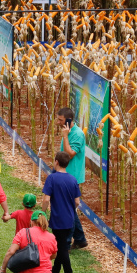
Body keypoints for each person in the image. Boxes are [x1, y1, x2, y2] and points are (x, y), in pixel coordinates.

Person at [42, 151, 81, 273]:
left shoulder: (52, 178)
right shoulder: (73, 179)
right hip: (70, 219)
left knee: (62, 248)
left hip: (58, 219)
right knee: (61, 244)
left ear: (56, 162)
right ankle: (55, 272)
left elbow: (46, 199)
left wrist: (43, 212)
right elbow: (77, 202)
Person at [56, 107, 88, 250]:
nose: (58, 122)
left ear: (68, 120)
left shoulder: (77, 134)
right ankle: (80, 239)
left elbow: (69, 154)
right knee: (69, 208)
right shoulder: (69, 132)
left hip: (72, 177)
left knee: (68, 210)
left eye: (60, 120)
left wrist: (65, 136)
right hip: (64, 173)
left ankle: (67, 242)